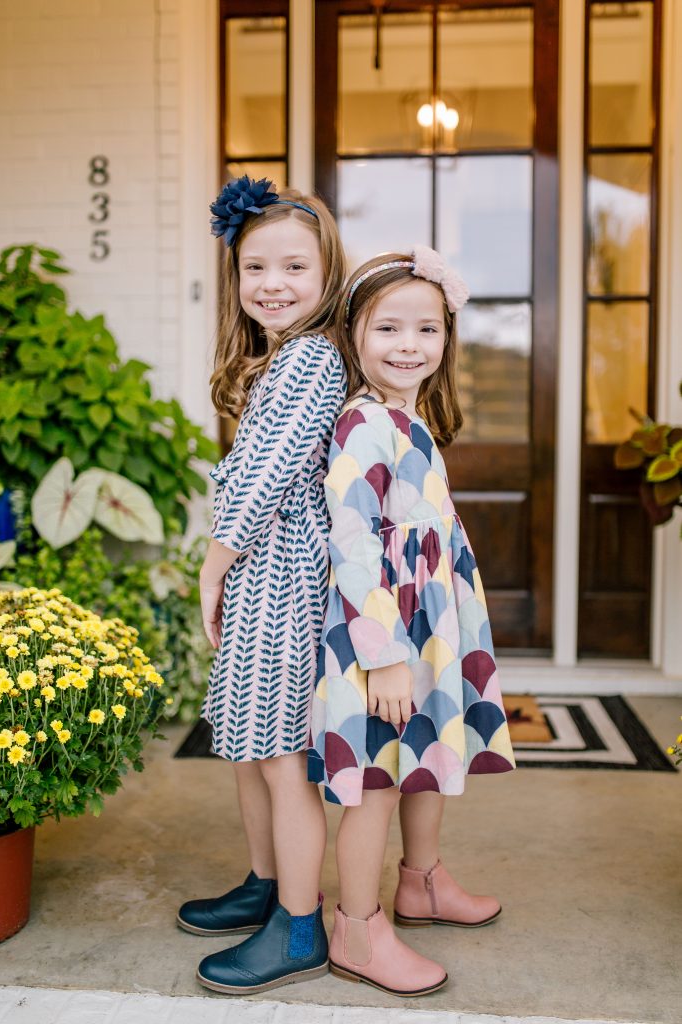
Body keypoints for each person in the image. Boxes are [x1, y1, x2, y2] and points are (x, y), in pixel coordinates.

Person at [308, 247, 516, 997]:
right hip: (387, 630)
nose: (408, 344)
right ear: (353, 335)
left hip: (428, 622)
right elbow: (354, 538)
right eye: (387, 327)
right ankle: (357, 927)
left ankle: (421, 882)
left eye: (425, 329)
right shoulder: (361, 423)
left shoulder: (409, 415)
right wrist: (384, 654)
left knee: (423, 753)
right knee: (377, 777)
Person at [177, 176, 347, 996]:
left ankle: (299, 923)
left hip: (283, 576)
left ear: (326, 277)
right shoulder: (274, 358)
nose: (271, 284)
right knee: (247, 746)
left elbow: (267, 477)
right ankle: (263, 880)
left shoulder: (313, 355)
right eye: (254, 268)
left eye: (292, 268)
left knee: (281, 756)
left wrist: (212, 565)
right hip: (258, 573)